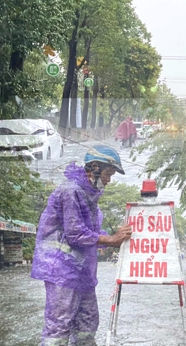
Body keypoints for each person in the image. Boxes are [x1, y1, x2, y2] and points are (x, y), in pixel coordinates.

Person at [31, 145, 133, 346]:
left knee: (87, 322)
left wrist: (116, 239)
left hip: (81, 271)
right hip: (60, 270)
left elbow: (93, 233)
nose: (109, 180)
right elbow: (76, 233)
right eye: (108, 173)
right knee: (59, 325)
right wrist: (111, 240)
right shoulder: (70, 191)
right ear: (94, 167)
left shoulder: (90, 197)